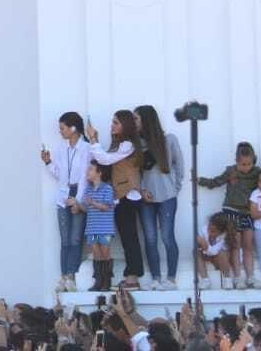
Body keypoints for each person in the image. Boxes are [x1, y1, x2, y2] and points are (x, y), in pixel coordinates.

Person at [87, 111, 145, 290]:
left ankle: (133, 277)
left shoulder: (127, 144)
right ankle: (129, 276)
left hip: (128, 196)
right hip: (121, 197)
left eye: (116, 123)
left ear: (125, 125)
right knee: (127, 238)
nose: (112, 125)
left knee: (130, 238)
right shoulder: (121, 144)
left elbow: (104, 159)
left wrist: (94, 141)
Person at [134, 105, 184, 291]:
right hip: (146, 199)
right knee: (150, 238)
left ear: (146, 120)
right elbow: (134, 173)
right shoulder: (136, 144)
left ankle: (171, 278)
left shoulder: (169, 140)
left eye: (137, 118)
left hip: (167, 197)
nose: (134, 122)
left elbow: (179, 166)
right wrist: (140, 190)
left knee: (167, 237)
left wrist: (175, 188)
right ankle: (155, 277)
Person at [197, 141, 259, 290]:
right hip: (231, 212)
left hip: (247, 213)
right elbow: (216, 181)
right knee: (235, 246)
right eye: (242, 164)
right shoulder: (231, 171)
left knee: (248, 245)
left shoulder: (256, 173)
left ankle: (251, 277)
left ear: (254, 160)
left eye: (249, 164)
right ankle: (238, 278)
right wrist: (200, 180)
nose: (245, 168)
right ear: (236, 161)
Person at [43, 111, 91, 292]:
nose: (60, 132)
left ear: (73, 128)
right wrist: (48, 163)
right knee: (65, 239)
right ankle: (64, 276)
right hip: (63, 195)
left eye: (63, 128)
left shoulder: (86, 148)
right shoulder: (62, 148)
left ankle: (72, 275)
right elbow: (60, 174)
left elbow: (86, 177)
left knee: (76, 238)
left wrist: (78, 201)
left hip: (78, 195)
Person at [83, 159, 117, 291]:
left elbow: (107, 207)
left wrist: (93, 203)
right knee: (96, 254)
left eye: (91, 169)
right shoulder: (88, 190)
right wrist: (77, 205)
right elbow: (86, 207)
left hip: (104, 228)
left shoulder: (107, 188)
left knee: (105, 252)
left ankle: (107, 281)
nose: (88, 171)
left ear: (99, 173)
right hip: (92, 228)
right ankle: (98, 281)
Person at [194, 213, 234, 290]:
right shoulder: (204, 229)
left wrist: (205, 245)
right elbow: (199, 245)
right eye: (209, 229)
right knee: (195, 252)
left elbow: (214, 251)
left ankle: (227, 279)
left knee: (223, 253)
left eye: (213, 231)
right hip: (207, 255)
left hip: (219, 259)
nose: (209, 232)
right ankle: (205, 280)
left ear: (221, 232)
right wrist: (200, 244)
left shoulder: (224, 237)